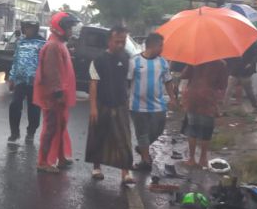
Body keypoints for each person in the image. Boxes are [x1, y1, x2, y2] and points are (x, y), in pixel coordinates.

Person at [85, 25, 135, 183]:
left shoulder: (127, 58)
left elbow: (129, 81)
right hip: (102, 103)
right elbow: (93, 84)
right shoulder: (98, 60)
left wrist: (128, 101)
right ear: (109, 41)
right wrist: (93, 107)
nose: (120, 45)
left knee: (124, 138)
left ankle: (126, 172)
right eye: (117, 41)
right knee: (98, 135)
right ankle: (96, 168)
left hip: (120, 103)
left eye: (123, 41)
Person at [33, 12, 79, 173]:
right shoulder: (53, 46)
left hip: (59, 95)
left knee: (60, 125)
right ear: (61, 28)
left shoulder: (59, 44)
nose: (71, 31)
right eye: (69, 28)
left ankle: (61, 158)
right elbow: (52, 73)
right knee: (51, 127)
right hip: (54, 97)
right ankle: (43, 162)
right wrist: (58, 93)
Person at [128, 33, 178, 171]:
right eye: (161, 46)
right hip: (138, 106)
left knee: (158, 130)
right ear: (153, 45)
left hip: (158, 106)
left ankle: (142, 148)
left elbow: (168, 82)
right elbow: (127, 81)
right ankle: (145, 160)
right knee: (142, 133)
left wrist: (173, 99)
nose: (162, 49)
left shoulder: (163, 62)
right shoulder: (134, 61)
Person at [180, 60, 228, 168]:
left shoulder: (195, 60)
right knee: (206, 130)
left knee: (192, 128)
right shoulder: (221, 63)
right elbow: (223, 85)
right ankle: (203, 159)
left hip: (192, 97)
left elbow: (184, 75)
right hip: (208, 99)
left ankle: (191, 159)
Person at [7, 15, 46, 144]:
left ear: (36, 29)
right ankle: (14, 132)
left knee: (34, 109)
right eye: (26, 28)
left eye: (31, 28)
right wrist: (12, 78)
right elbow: (15, 61)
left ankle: (31, 131)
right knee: (14, 106)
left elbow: (46, 63)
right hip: (20, 81)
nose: (28, 30)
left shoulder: (43, 44)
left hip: (36, 83)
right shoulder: (20, 43)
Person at [222, 42, 257, 113]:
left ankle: (256, 107)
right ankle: (224, 110)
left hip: (245, 72)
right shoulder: (234, 43)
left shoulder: (251, 44)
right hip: (235, 71)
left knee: (249, 91)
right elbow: (228, 56)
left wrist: (251, 63)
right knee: (228, 91)